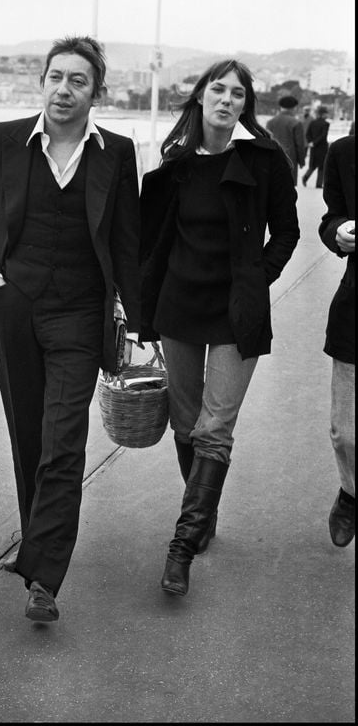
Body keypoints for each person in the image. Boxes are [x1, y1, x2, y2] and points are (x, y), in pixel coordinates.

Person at [0, 36, 140, 622]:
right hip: (15, 307)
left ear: (97, 92)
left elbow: (124, 239)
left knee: (64, 441)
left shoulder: (116, 152)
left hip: (80, 313)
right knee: (29, 438)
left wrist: (139, 320)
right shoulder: (2, 140)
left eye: (78, 81)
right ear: (42, 82)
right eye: (55, 77)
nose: (64, 90)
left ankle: (43, 576)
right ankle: (35, 542)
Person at [139, 59, 300, 597]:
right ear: (200, 98)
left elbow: (288, 232)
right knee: (185, 424)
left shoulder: (263, 160)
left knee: (215, 428)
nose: (226, 100)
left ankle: (181, 546)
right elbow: (152, 242)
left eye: (237, 93)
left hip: (236, 314)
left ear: (245, 106)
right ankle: (203, 515)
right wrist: (137, 308)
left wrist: (258, 280)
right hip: (179, 309)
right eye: (218, 89)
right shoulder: (174, 166)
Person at [319, 134, 355, 546]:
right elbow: (331, 219)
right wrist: (339, 231)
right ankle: (351, 491)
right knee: (346, 432)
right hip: (354, 310)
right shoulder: (344, 152)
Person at [266, 95, 306, 185]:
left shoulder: (270, 122)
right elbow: (300, 144)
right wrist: (301, 161)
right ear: (294, 108)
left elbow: (266, 141)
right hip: (290, 158)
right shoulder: (296, 123)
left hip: (272, 158)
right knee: (288, 186)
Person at [302, 105, 330, 188]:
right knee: (322, 166)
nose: (327, 115)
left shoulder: (312, 122)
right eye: (326, 114)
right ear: (323, 114)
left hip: (313, 147)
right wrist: (315, 142)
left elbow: (308, 134)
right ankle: (318, 184)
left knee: (312, 165)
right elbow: (323, 135)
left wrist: (311, 142)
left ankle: (305, 178)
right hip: (322, 147)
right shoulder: (326, 124)